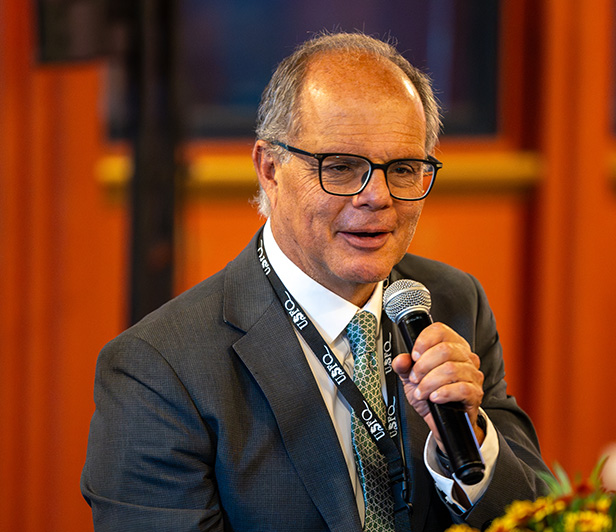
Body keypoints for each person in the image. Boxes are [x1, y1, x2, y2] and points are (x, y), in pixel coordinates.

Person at [81, 32, 549, 531]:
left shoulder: (454, 303)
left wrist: (470, 442)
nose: (377, 197)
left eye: (405, 169)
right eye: (342, 167)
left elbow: (538, 520)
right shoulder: (159, 370)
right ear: (269, 169)